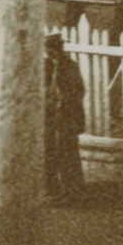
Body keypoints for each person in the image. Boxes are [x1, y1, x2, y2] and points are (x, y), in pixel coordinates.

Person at [43, 33, 87, 204]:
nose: (48, 52)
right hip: (49, 115)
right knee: (49, 151)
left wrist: (64, 100)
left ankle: (73, 190)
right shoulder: (46, 65)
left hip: (66, 115)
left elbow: (79, 90)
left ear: (58, 48)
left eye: (51, 49)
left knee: (67, 152)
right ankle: (53, 190)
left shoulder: (69, 66)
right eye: (47, 49)